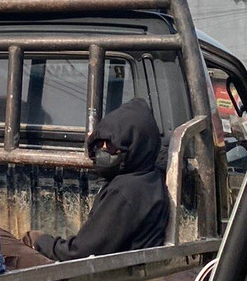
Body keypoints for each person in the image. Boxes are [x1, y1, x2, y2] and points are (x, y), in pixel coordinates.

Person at [27, 98, 168, 261]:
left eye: (112, 146)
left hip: (106, 276)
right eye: (99, 144)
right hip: (124, 271)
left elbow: (81, 252)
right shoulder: (148, 178)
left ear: (135, 147)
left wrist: (41, 241)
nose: (104, 151)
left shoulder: (126, 190)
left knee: (3, 239)